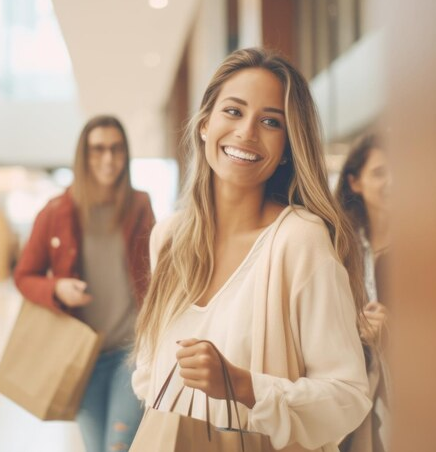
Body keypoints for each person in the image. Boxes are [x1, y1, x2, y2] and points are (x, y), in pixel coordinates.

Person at [131, 48, 371, 452]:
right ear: (205, 124)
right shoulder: (168, 237)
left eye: (270, 121)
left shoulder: (299, 241)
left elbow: (347, 397)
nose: (246, 132)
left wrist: (242, 385)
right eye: (234, 111)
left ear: (287, 147)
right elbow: (147, 371)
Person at [14, 115, 155, 452]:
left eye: (116, 149)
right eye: (98, 150)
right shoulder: (57, 212)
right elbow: (23, 276)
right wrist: (56, 289)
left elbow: (158, 271)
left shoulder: (139, 205)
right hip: (81, 356)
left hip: (130, 353)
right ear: (84, 155)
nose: (108, 159)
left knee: (118, 447)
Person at [335, 134, 392, 452]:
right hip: (349, 391)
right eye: (380, 172)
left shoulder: (427, 242)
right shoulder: (339, 245)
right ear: (355, 182)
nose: (395, 181)